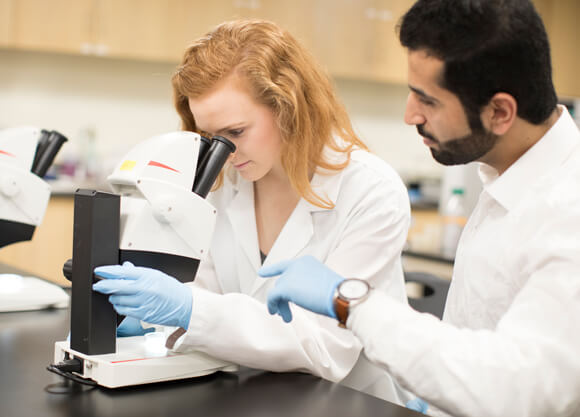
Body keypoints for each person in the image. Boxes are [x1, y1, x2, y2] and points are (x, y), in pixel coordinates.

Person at [261, 1, 580, 416]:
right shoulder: (509, 178)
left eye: (427, 100)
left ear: (500, 112)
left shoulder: (567, 209)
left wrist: (350, 302)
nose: (410, 114)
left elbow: (517, 387)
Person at [92, 20, 412, 403]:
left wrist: (187, 307)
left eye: (237, 132)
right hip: (251, 394)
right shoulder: (224, 182)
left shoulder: (370, 191)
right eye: (211, 138)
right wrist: (150, 316)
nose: (224, 153)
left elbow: (324, 346)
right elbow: (207, 291)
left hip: (348, 401)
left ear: (289, 108)